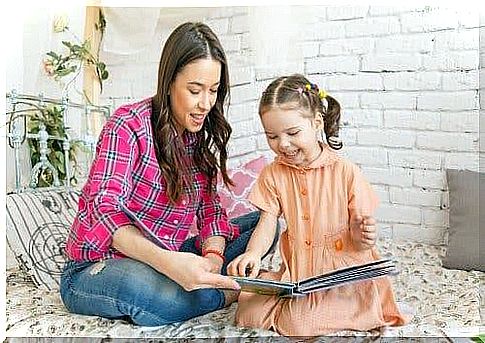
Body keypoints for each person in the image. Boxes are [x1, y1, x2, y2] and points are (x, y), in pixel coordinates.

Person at [60, 22, 276, 327]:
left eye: (213, 91)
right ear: (169, 81)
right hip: (96, 267)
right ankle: (233, 292)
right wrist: (171, 264)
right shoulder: (128, 127)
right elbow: (103, 212)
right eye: (194, 90)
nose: (205, 103)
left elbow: (211, 213)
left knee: (263, 224)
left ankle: (203, 284)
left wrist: (213, 259)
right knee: (143, 290)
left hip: (167, 257)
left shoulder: (196, 140)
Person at [227, 74, 410, 336]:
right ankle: (290, 302)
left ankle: (351, 308)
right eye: (272, 136)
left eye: (292, 133)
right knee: (246, 313)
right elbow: (267, 223)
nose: (283, 144)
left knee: (299, 325)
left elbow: (362, 240)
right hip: (301, 272)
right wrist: (253, 254)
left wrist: (363, 234)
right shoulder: (273, 173)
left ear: (316, 123)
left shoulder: (345, 171)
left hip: (341, 274)